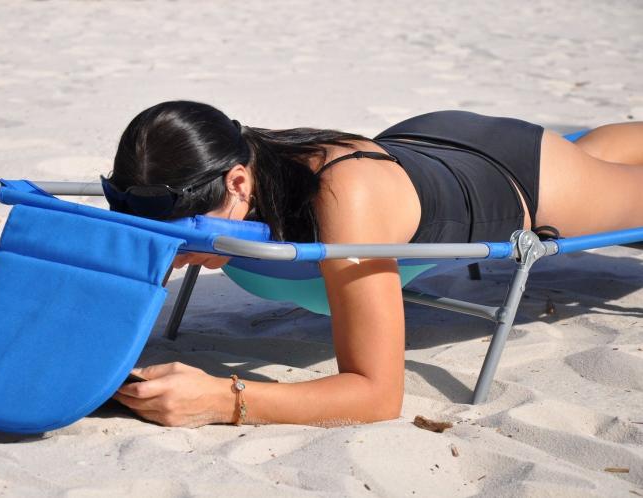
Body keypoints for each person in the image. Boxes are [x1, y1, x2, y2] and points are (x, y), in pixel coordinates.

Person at [106, 100, 643, 428]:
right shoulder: (216, 179)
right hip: (427, 142)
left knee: (611, 184)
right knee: (600, 156)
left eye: (181, 234)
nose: (171, 249)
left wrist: (223, 399)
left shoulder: (347, 199)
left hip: (525, 179)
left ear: (238, 183)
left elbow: (377, 395)